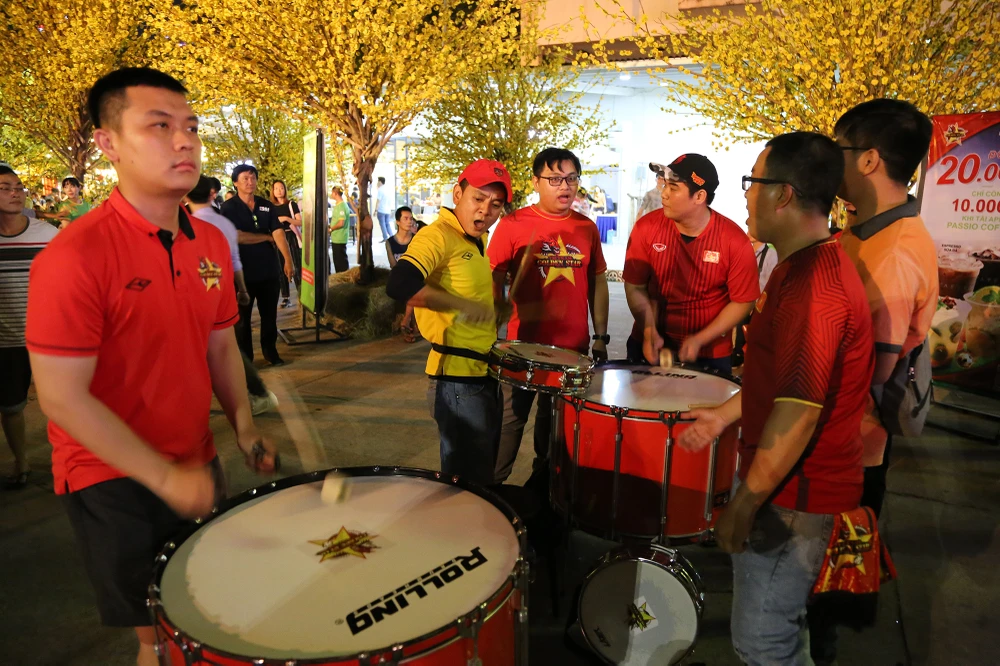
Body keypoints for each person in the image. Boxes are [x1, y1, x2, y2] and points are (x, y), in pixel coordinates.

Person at [24, 67, 279, 666]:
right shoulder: (73, 255)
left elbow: (220, 345)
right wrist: (164, 479)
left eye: (191, 126)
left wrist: (243, 425)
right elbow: (61, 397)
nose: (185, 140)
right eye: (159, 126)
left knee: (208, 617)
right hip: (110, 475)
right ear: (108, 142)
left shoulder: (208, 242)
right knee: (162, 638)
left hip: (195, 456)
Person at [678, 132, 875, 665]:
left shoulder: (817, 287)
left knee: (763, 642)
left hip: (795, 498)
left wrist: (744, 503)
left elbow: (797, 413)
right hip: (785, 486)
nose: (745, 194)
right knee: (784, 631)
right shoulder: (795, 266)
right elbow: (778, 381)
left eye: (752, 181)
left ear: (783, 193)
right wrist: (724, 415)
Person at [807, 100, 939, 666]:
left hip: (851, 451)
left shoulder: (895, 253)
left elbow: (869, 371)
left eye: (839, 148)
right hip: (836, 439)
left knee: (824, 585)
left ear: (868, 160)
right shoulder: (863, 232)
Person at [385, 159, 512, 486]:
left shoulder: (476, 239)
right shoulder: (437, 236)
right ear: (458, 194)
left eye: (496, 204)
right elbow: (399, 283)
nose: (485, 210)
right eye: (478, 198)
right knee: (465, 487)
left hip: (481, 375)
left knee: (480, 479)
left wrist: (494, 309)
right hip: (456, 384)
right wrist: (460, 305)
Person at [488, 147, 609, 485]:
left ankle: (543, 492)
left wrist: (600, 336)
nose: (564, 186)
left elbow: (598, 282)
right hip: (521, 348)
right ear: (535, 182)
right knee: (508, 423)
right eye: (555, 179)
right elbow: (492, 278)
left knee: (554, 428)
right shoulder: (512, 225)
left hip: (571, 351)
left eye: (571, 178)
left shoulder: (586, 228)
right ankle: (490, 489)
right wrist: (491, 328)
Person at [623, 153, 760, 374]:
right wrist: (648, 330)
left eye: (673, 188)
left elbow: (744, 301)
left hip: (710, 355)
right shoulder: (646, 228)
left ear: (699, 196)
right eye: (665, 185)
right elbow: (635, 286)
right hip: (647, 346)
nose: (664, 193)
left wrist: (700, 339)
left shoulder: (733, 240)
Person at [186, 175, 279, 416]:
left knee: (214, 349)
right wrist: (242, 289)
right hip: (222, 292)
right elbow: (235, 260)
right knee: (224, 347)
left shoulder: (184, 224)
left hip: (195, 297)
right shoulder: (223, 224)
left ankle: (252, 393)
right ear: (212, 194)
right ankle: (257, 393)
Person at [0, 166, 57, 489]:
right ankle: (21, 462)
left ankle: (73, 461)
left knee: (65, 403)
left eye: (18, 186)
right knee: (11, 407)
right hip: (6, 340)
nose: (15, 192)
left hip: (51, 339)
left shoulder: (47, 234)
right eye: (5, 187)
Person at [221, 164, 295, 366]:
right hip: (242, 273)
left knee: (269, 316)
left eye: (253, 177)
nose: (250, 182)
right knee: (242, 320)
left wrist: (288, 260)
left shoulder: (266, 205)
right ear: (235, 183)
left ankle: (271, 353)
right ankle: (246, 360)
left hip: (269, 270)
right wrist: (265, 237)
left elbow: (278, 232)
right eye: (245, 178)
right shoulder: (228, 208)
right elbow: (236, 236)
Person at [386, 206, 418, 342]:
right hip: (399, 276)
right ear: (398, 222)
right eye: (405, 218)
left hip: (415, 276)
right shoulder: (390, 242)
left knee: (414, 283)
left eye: (411, 218)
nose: (409, 221)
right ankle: (410, 321)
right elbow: (393, 265)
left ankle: (406, 320)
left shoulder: (417, 240)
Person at [271, 179, 302, 308]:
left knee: (296, 266)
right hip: (277, 238)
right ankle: (285, 297)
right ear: (273, 191)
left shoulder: (291, 204)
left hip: (290, 237)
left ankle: (301, 295)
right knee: (280, 267)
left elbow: (300, 222)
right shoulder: (271, 207)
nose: (279, 191)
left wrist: (286, 219)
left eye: (281, 188)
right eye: (276, 188)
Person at [329, 186, 350, 273]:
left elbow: (341, 223)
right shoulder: (339, 205)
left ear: (335, 193)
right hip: (336, 238)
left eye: (332, 192)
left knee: (340, 263)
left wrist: (331, 229)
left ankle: (344, 278)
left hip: (339, 238)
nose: (331, 194)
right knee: (338, 262)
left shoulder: (341, 206)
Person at [374, 176, 393, 242]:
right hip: (388, 210)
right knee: (387, 224)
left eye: (378, 181)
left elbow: (378, 201)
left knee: (382, 224)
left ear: (380, 182)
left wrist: (375, 210)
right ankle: (392, 237)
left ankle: (385, 238)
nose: (377, 183)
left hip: (381, 210)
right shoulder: (387, 189)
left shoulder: (380, 190)